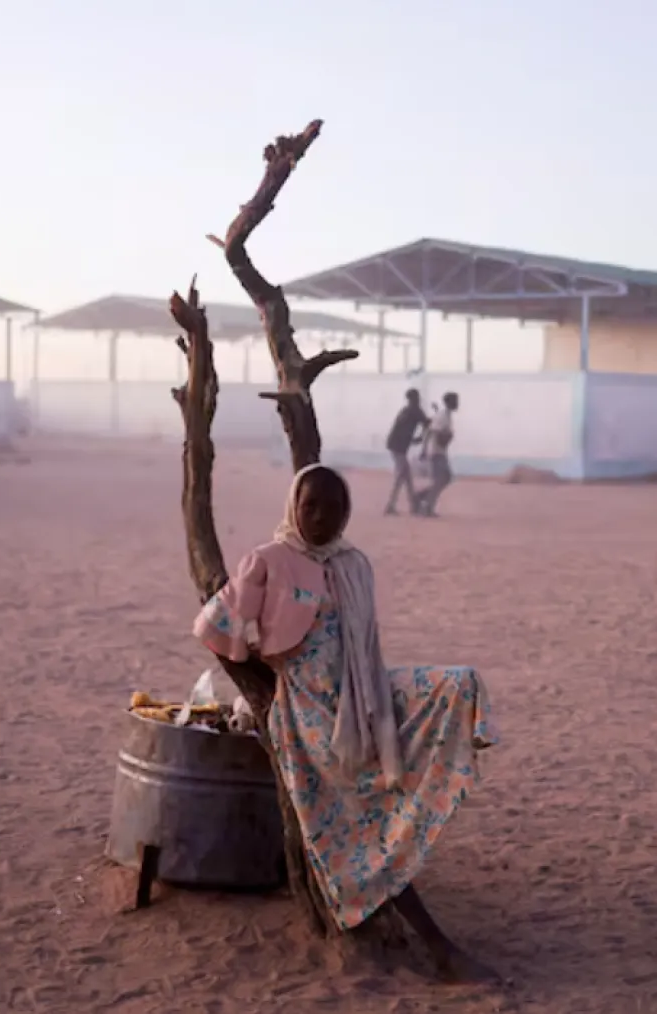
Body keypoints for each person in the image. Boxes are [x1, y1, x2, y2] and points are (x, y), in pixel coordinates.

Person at [194, 464, 497, 981]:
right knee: (365, 824)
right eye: (310, 505)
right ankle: (439, 948)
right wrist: (260, 674)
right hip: (309, 714)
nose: (319, 517)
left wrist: (368, 696)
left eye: (332, 508)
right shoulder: (267, 561)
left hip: (364, 695)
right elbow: (212, 626)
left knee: (458, 684)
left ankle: (430, 932)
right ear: (294, 505)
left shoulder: (354, 564)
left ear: (346, 512)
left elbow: (367, 646)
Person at [383, 388, 429, 515]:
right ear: (415, 398)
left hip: (395, 445)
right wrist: (419, 438)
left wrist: (416, 439)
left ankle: (412, 505)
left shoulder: (405, 410)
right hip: (399, 447)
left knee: (406, 476)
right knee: (402, 475)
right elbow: (427, 424)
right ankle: (391, 505)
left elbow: (402, 429)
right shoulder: (415, 410)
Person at [415, 392, 459, 517]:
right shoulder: (442, 416)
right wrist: (424, 450)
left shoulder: (447, 415)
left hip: (440, 452)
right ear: (450, 402)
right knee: (440, 480)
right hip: (435, 452)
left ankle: (422, 496)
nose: (458, 403)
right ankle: (427, 506)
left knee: (445, 478)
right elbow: (430, 432)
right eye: (456, 401)